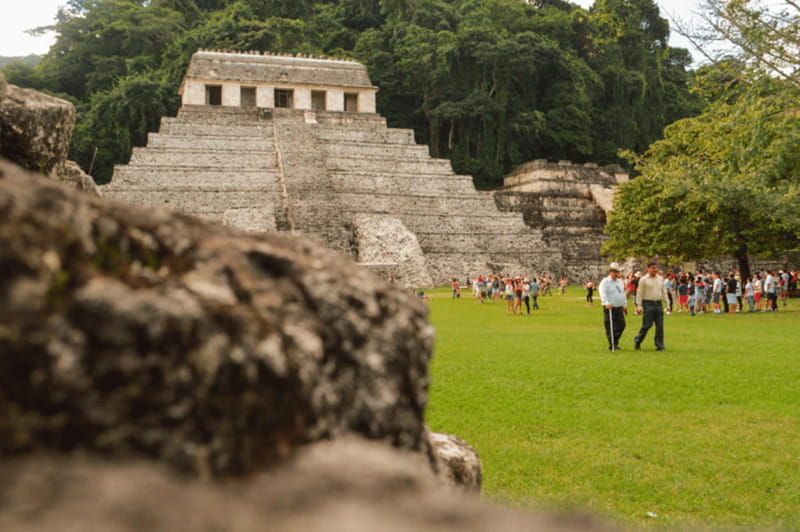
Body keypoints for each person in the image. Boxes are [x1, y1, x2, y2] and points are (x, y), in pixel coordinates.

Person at [633, 262, 668, 351]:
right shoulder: (643, 280)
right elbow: (639, 293)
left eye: (656, 268)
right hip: (648, 304)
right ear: (648, 269)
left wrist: (667, 303)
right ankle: (638, 340)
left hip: (658, 304)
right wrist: (639, 305)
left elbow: (663, 291)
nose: (655, 270)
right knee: (647, 325)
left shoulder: (660, 279)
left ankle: (660, 345)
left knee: (660, 326)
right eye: (653, 268)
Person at [599, 262, 627, 351]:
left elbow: (622, 294)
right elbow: (602, 293)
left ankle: (614, 341)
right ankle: (613, 344)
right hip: (610, 307)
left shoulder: (619, 282)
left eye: (617, 272)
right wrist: (606, 302)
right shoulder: (605, 282)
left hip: (619, 307)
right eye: (615, 272)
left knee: (622, 325)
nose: (617, 274)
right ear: (611, 272)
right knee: (610, 327)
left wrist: (624, 304)